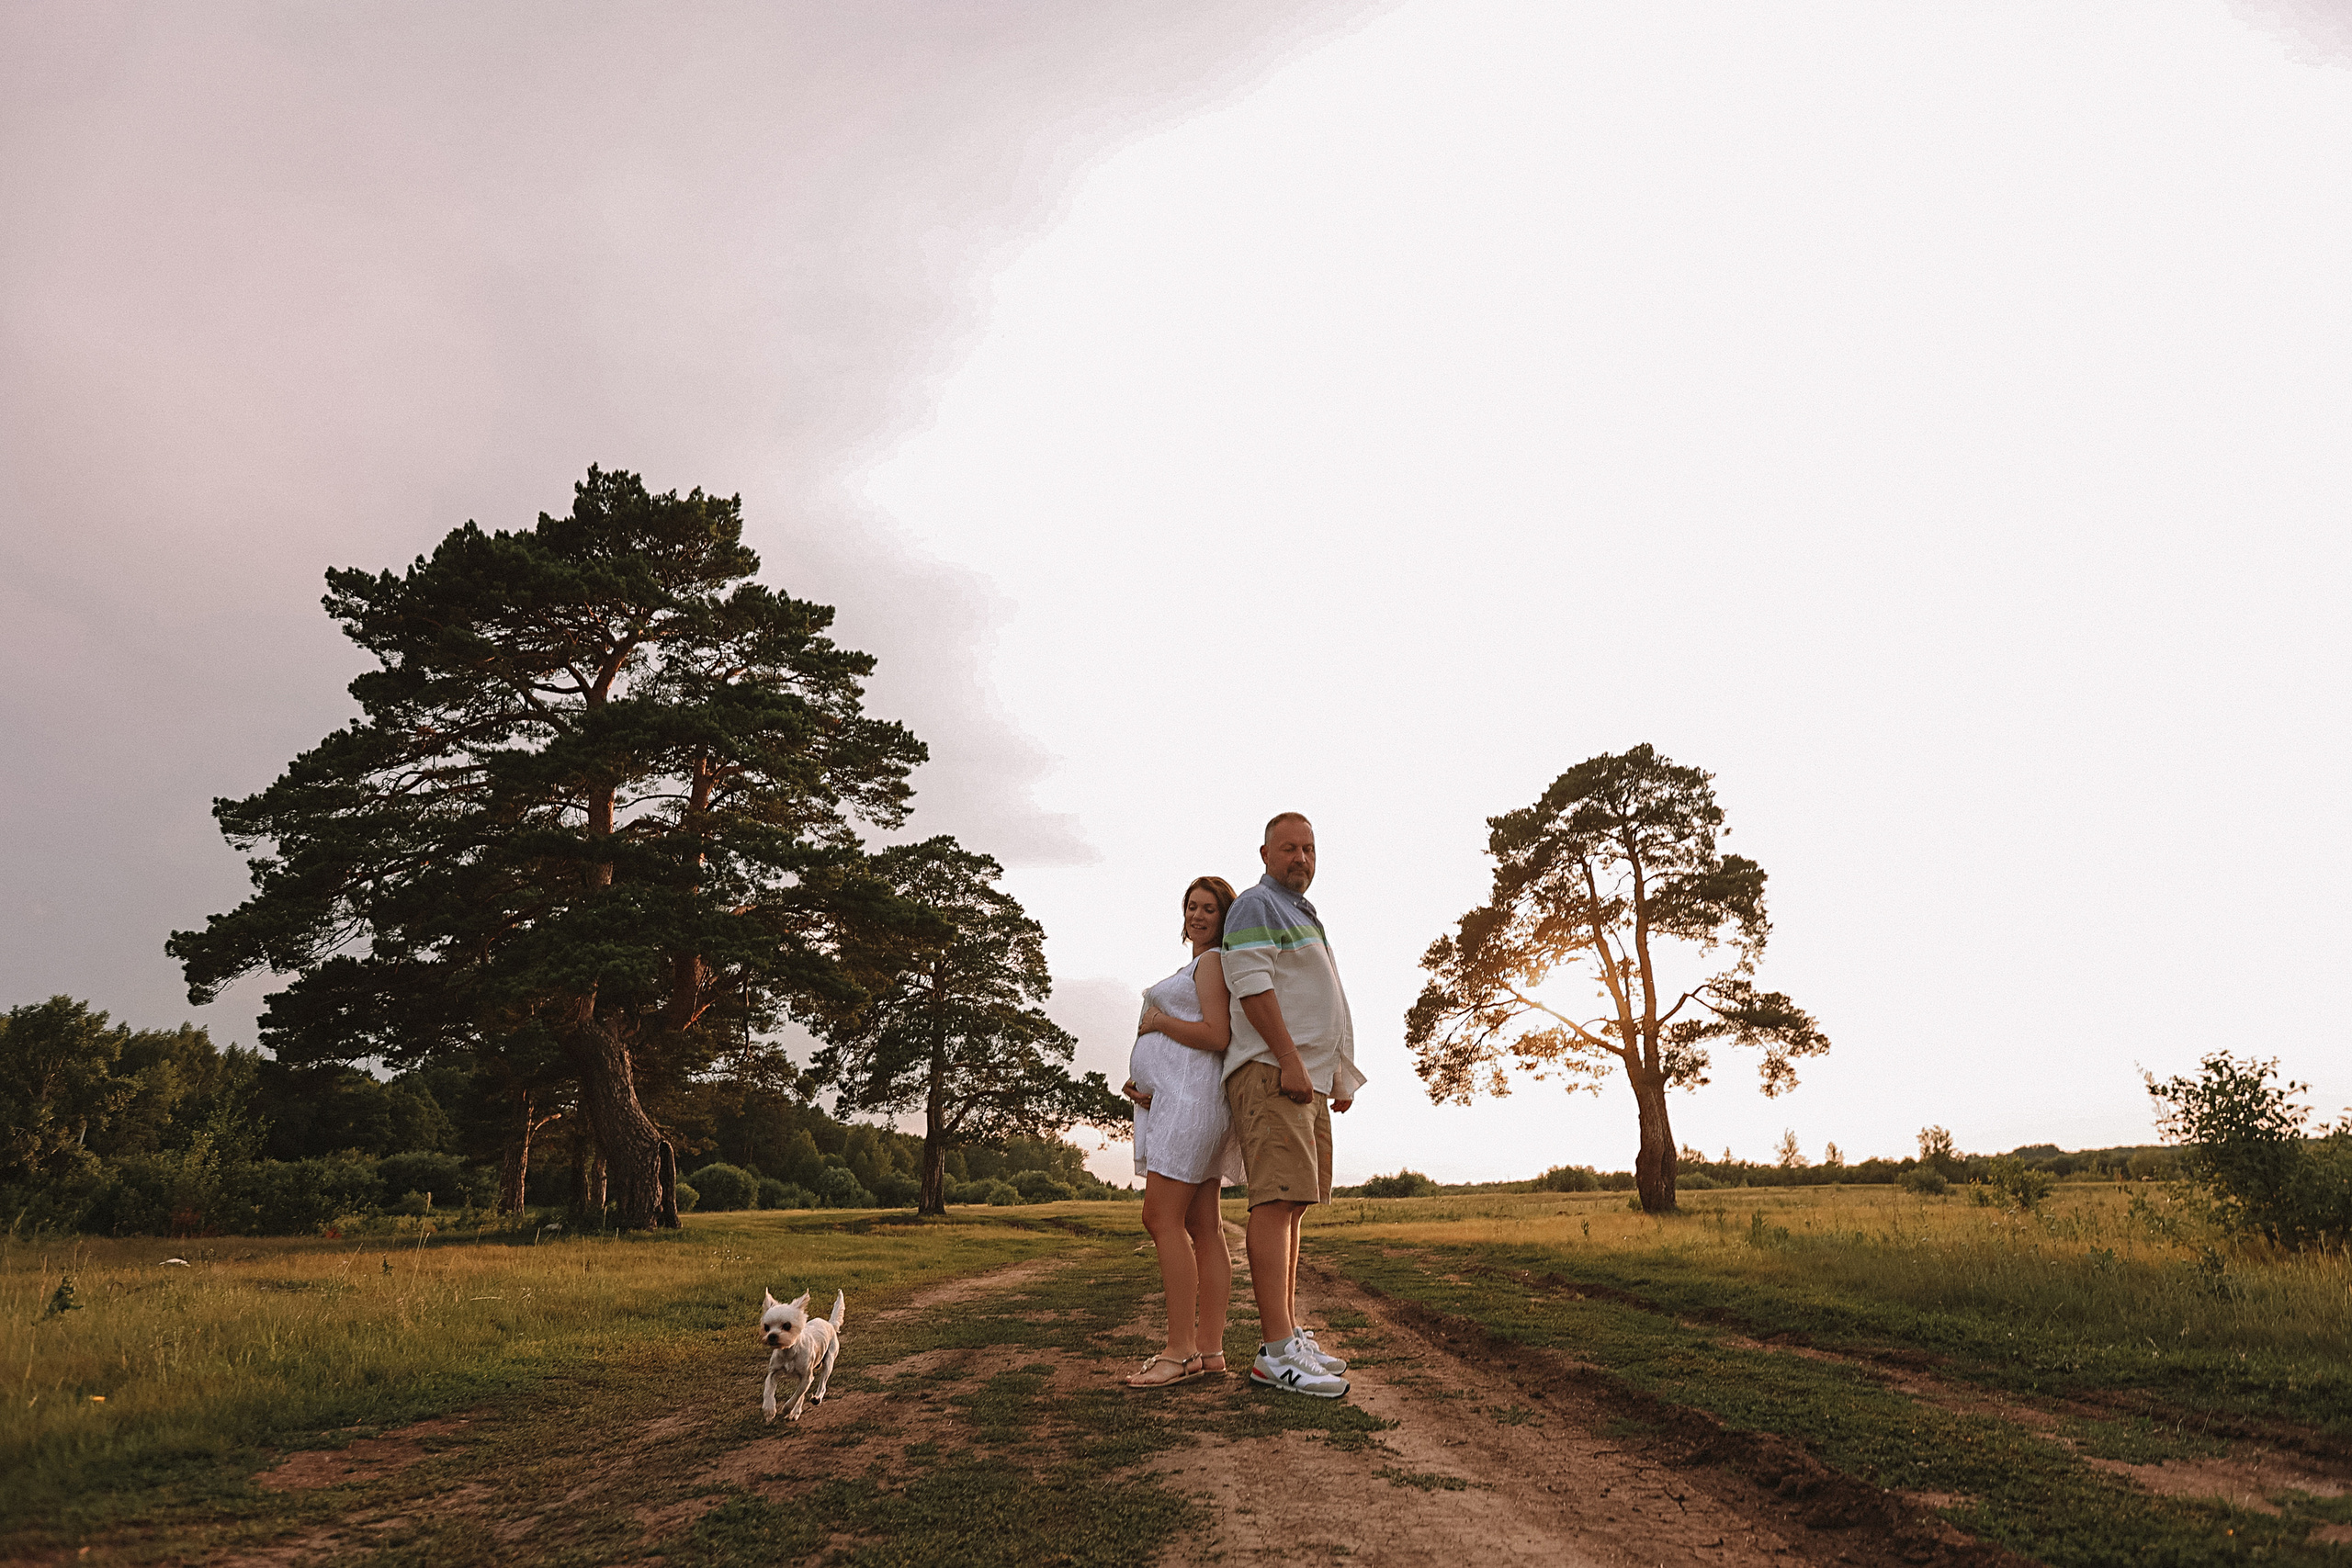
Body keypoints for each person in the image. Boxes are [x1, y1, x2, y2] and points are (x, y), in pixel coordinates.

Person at [1220, 812, 1364, 1398]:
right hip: (1275, 1073)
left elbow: (1317, 997)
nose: (1300, 859)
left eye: (1308, 849)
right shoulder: (1257, 906)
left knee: (1295, 1204)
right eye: (1288, 849)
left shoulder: (1302, 913)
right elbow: (1252, 986)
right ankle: (1277, 1352)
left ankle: (1286, 1337)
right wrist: (1292, 1060)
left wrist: (1336, 1075)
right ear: (1264, 853)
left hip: (1302, 1078)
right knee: (1276, 1202)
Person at [1118, 875, 1245, 1388]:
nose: (1197, 915)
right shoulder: (1197, 966)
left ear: (1224, 917)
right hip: (1185, 1100)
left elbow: (1216, 1035)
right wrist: (1148, 1083)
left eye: (1208, 909)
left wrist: (1156, 1026)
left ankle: (1179, 1351)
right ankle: (1209, 1352)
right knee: (1203, 1226)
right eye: (1191, 907)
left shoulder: (1212, 963)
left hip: (1192, 1107)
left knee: (1160, 1217)